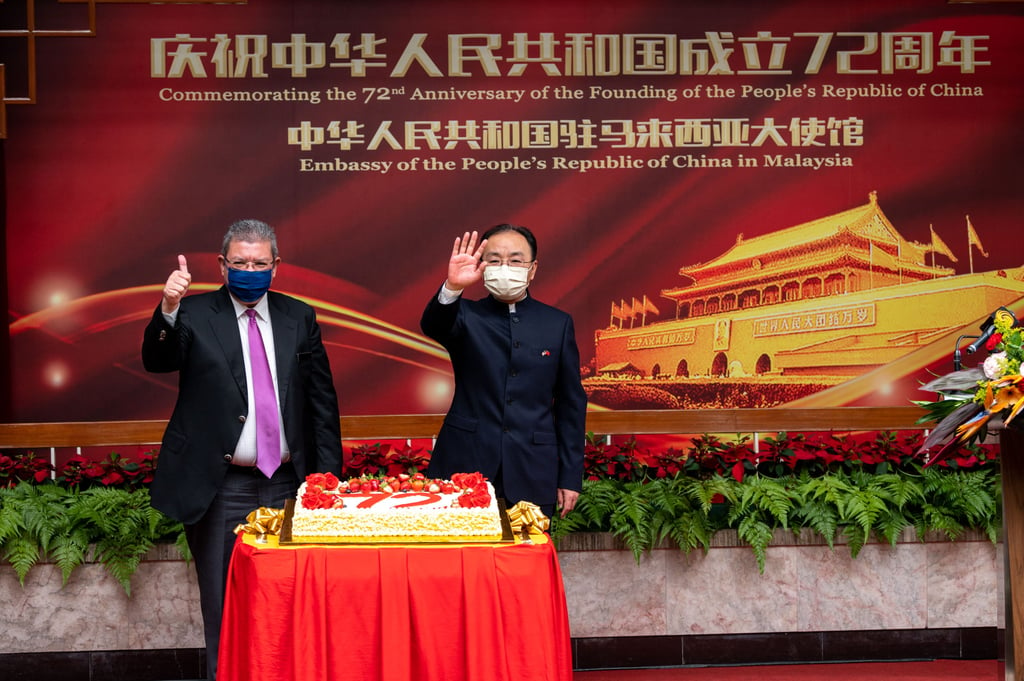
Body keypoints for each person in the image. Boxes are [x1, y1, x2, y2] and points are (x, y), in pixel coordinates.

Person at [142, 219, 341, 681]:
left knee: (293, 604)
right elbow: (158, 359)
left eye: (259, 263)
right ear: (221, 265)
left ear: (275, 267)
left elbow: (321, 403)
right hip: (221, 487)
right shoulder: (192, 314)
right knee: (224, 606)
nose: (249, 270)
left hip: (290, 485)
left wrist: (327, 481)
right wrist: (168, 307)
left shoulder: (299, 316)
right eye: (239, 263)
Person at [421, 224, 587, 519]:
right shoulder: (464, 315)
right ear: (482, 267)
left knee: (525, 560)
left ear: (533, 268)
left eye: (515, 260)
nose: (504, 267)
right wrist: (453, 287)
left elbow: (570, 404)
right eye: (494, 260)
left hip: (533, 468)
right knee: (459, 563)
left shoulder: (557, 323)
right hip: (464, 463)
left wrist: (569, 476)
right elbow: (433, 325)